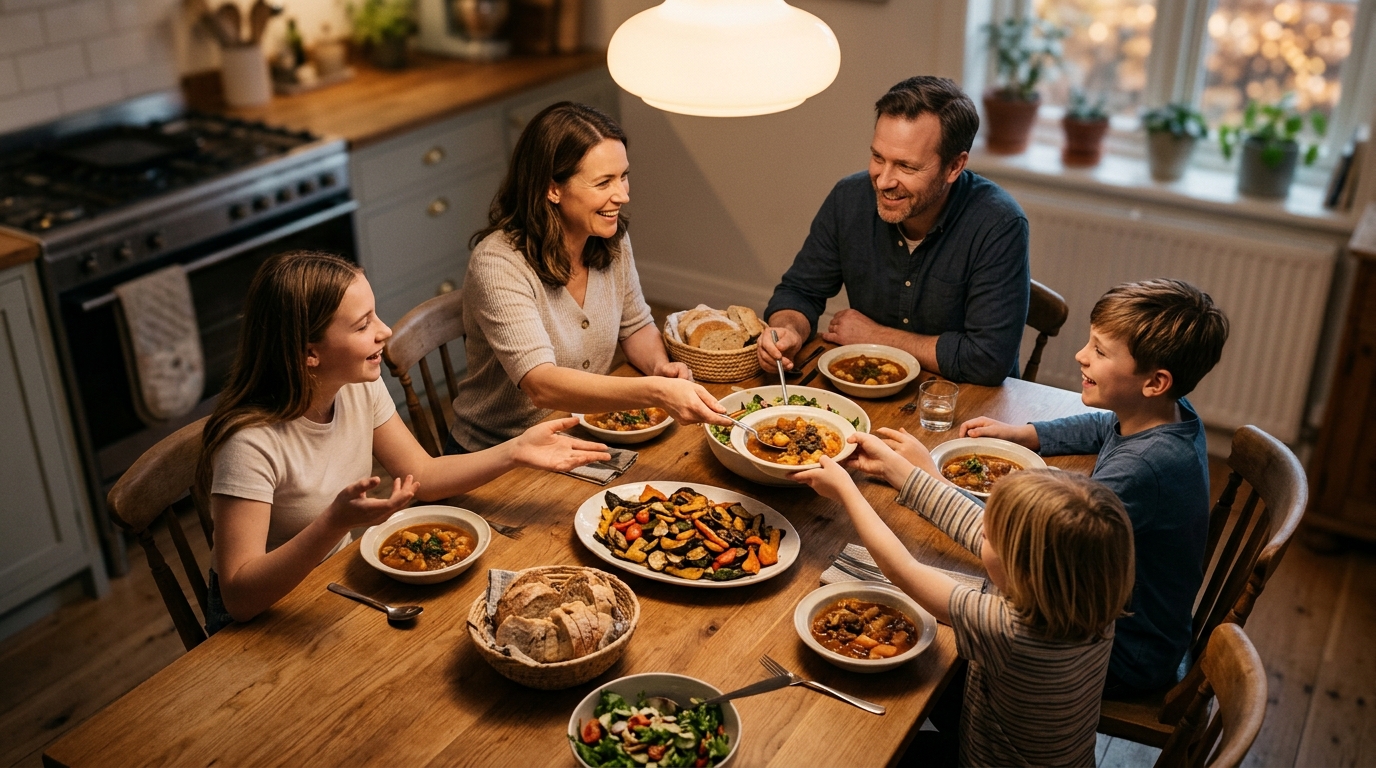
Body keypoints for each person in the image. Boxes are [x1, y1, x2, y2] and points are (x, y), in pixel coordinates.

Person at [197, 251, 611, 632]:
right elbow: (238, 597)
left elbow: (424, 475)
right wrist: (333, 524)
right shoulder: (248, 443)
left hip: (327, 585)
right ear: (310, 353)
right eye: (363, 325)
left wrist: (516, 450)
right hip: (255, 625)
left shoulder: (356, 386)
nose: (385, 331)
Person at [956, 278, 1230, 695]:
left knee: (954, 650)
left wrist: (924, 479)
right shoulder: (1168, 411)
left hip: (1123, 654)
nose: (1081, 356)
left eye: (1100, 351)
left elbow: (1031, 548)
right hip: (1137, 625)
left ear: (1155, 382)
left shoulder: (1142, 469)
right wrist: (1023, 433)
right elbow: (1105, 425)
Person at [795, 438, 1135, 767]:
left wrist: (846, 492)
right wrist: (899, 472)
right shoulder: (1088, 590)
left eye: (989, 534)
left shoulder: (1011, 629)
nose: (980, 528)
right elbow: (971, 523)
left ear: (1021, 567)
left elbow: (904, 570)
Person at [449, 102, 730, 453]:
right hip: (498, 455)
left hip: (582, 437)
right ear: (553, 188)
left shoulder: (610, 239)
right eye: (603, 182)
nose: (623, 196)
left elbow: (636, 324)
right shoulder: (498, 263)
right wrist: (656, 391)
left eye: (623, 176)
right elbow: (542, 385)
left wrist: (660, 367)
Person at [758, 76, 1030, 386]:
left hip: (966, 407)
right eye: (877, 157)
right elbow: (800, 291)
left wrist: (875, 336)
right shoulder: (849, 199)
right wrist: (788, 329)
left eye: (906, 167)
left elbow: (987, 359)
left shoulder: (999, 224)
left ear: (954, 167)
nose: (883, 180)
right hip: (867, 394)